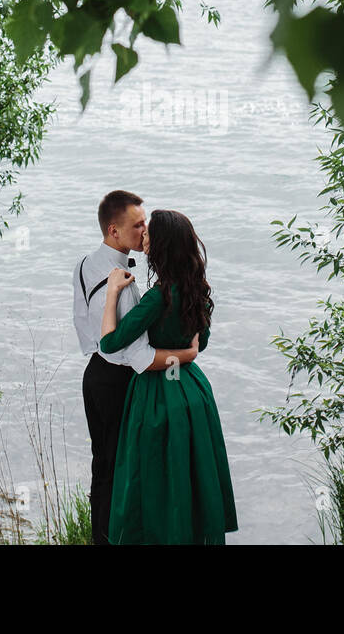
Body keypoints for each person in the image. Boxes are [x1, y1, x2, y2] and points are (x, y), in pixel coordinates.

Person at [99, 208, 237, 544]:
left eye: (148, 233)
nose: (143, 235)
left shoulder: (157, 297)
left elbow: (110, 342)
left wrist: (112, 294)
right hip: (192, 391)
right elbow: (198, 345)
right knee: (191, 476)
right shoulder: (197, 291)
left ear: (160, 245)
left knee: (153, 479)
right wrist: (183, 354)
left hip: (158, 395)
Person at [74, 190, 199, 546]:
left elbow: (82, 324)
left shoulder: (85, 264)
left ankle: (103, 536)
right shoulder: (124, 287)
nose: (145, 231)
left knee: (104, 467)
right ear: (114, 230)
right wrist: (185, 355)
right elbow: (141, 357)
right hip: (119, 382)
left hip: (95, 374)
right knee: (122, 471)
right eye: (138, 225)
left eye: (146, 224)